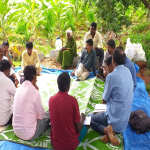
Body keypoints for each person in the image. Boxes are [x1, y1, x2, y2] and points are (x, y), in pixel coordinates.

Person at [90, 49, 134, 145]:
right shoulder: (128, 72)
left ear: (113, 60)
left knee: (89, 118)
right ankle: (111, 132)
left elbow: (104, 101)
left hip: (114, 121)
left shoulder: (111, 77)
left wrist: (99, 108)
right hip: (124, 124)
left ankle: (106, 131)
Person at [49, 72, 87, 150]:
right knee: (87, 125)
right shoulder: (73, 101)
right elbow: (78, 128)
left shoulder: (51, 100)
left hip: (55, 144)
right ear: (69, 86)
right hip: (71, 144)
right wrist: (83, 118)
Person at [13, 65, 50, 141]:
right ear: (34, 77)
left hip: (16, 131)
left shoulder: (19, 89)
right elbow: (41, 116)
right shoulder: (34, 92)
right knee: (48, 114)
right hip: (29, 134)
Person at [0, 59, 16, 126]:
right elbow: (17, 95)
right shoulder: (6, 80)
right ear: (6, 70)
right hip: (3, 119)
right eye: (10, 71)